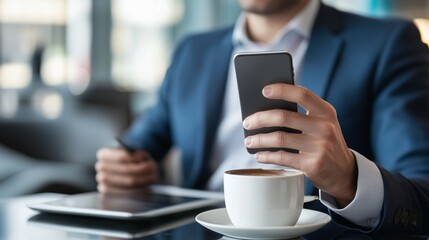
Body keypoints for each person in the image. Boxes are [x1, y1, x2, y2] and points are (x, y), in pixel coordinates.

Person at [95, 0, 429, 235]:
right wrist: (120, 165)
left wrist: (350, 179)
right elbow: (139, 145)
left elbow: (421, 191)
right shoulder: (192, 51)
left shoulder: (387, 43)